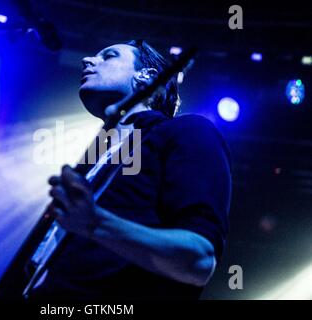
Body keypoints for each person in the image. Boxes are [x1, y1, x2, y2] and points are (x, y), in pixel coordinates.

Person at [29, 39, 232, 300]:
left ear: (146, 77)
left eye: (109, 56)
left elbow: (198, 262)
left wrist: (94, 223)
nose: (87, 60)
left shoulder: (187, 131)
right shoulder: (97, 158)